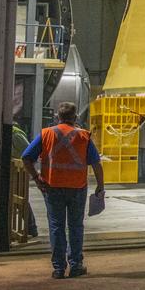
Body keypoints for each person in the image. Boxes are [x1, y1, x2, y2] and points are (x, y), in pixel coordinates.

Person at [21, 102, 105, 279]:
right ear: (75, 118)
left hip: (52, 187)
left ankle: (58, 268)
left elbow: (26, 157)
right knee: (75, 226)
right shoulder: (84, 136)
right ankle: (76, 266)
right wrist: (100, 185)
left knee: (56, 226)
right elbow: (96, 163)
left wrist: (36, 178)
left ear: (57, 117)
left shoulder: (46, 134)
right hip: (77, 187)